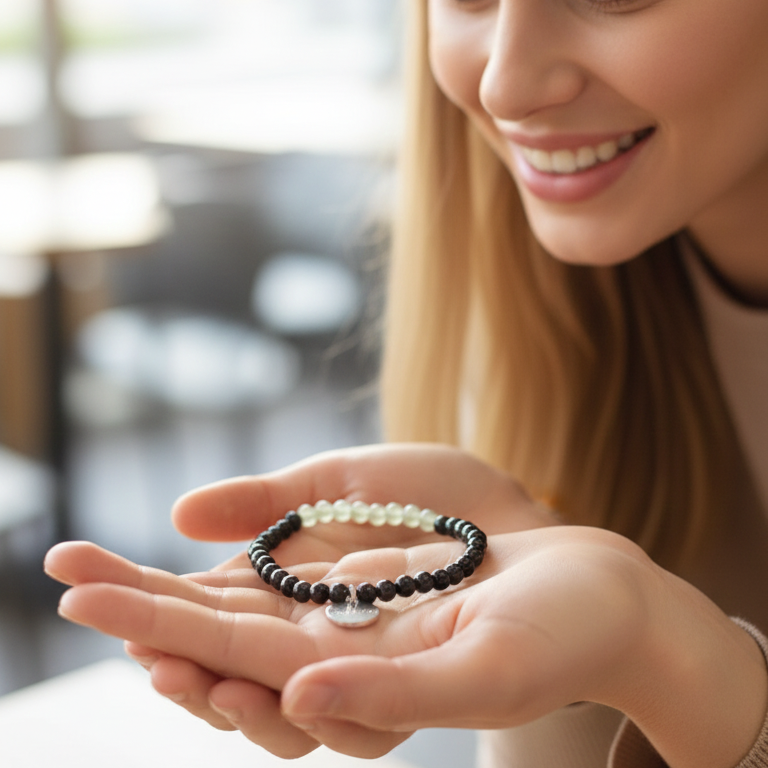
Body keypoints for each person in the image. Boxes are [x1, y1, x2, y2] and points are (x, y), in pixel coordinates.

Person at [44, 0, 768, 766]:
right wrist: (579, 669)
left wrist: (678, 661)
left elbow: (665, 657)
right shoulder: (546, 315)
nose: (503, 85)